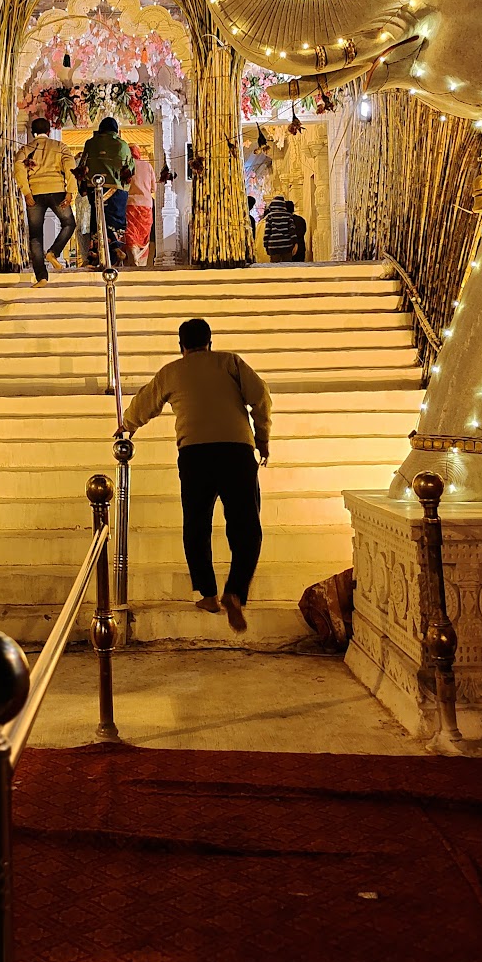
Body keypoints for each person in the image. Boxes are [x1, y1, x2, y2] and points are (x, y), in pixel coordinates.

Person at [121, 317, 271, 633]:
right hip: (236, 451)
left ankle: (207, 593)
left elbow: (144, 403)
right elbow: (261, 396)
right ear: (210, 342)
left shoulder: (172, 371)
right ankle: (236, 591)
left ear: (181, 346)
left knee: (196, 526)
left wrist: (127, 426)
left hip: (195, 455)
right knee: (246, 528)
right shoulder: (229, 362)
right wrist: (262, 440)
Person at [13, 117, 77, 286]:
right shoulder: (60, 147)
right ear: (49, 131)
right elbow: (70, 168)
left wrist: (26, 192)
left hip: (35, 193)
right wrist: (70, 192)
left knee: (35, 236)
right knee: (69, 223)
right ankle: (54, 252)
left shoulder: (25, 149)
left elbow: (19, 169)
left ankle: (41, 276)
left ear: (33, 133)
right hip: (57, 191)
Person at [80, 117, 135, 267]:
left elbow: (82, 166)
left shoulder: (91, 143)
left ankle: (101, 253)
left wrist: (83, 188)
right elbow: (130, 169)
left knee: (98, 219)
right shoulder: (122, 144)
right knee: (114, 222)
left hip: (95, 187)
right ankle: (115, 248)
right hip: (117, 191)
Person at [124, 144, 157, 267]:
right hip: (146, 206)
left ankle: (133, 255)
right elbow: (154, 188)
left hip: (129, 204)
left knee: (131, 231)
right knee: (143, 234)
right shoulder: (147, 166)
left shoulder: (126, 167)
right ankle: (140, 260)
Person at [263, 194, 297, 263]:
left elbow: (267, 232)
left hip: (273, 246)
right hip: (286, 245)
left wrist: (266, 245)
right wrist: (295, 243)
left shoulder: (270, 216)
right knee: (287, 266)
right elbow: (292, 231)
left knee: (275, 267)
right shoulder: (288, 216)